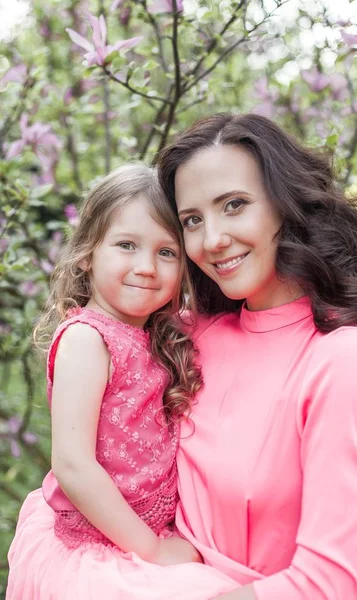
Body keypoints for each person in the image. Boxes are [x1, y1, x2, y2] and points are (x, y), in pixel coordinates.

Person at [157, 113, 357, 600]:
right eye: (192, 220)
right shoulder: (190, 331)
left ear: (285, 205)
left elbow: (326, 584)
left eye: (234, 205)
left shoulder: (341, 358)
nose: (212, 240)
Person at [6, 164, 238, 600]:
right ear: (88, 253)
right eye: (126, 245)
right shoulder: (86, 339)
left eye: (166, 252)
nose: (146, 267)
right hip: (103, 549)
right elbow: (74, 466)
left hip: (142, 534)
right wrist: (151, 548)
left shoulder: (153, 334)